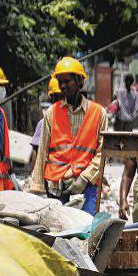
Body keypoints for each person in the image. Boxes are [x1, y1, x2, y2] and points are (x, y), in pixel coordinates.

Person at [30, 57, 108, 214]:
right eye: (60, 82)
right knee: (59, 230)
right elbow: (43, 151)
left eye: (67, 81)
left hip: (87, 182)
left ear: (79, 81)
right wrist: (37, 187)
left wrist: (84, 178)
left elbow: (102, 152)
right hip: (56, 183)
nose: (63, 86)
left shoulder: (99, 113)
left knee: (86, 226)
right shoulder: (52, 112)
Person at [29, 77, 62, 171]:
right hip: (52, 178)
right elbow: (35, 154)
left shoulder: (42, 123)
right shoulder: (43, 123)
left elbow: (35, 153)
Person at [0, 64, 12, 191]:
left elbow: (4, 153)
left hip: (1, 186)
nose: (2, 89)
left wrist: (11, 174)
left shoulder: (1, 113)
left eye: (2, 86)